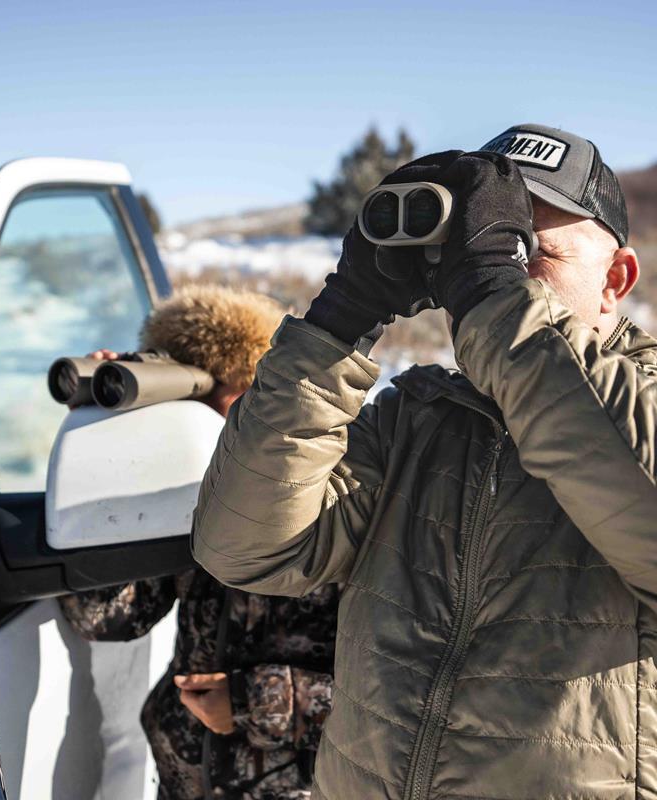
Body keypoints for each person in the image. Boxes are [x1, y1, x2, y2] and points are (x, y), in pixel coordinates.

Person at [192, 124, 657, 799]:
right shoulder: (420, 416)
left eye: (529, 251)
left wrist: (496, 295)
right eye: (484, 246)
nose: (496, 271)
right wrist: (339, 322)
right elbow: (245, 549)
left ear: (616, 279)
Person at [60, 284, 340, 800]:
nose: (204, 423)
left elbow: (399, 700)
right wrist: (108, 444)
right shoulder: (193, 492)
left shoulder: (342, 497)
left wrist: (252, 702)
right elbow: (106, 618)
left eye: (222, 399)